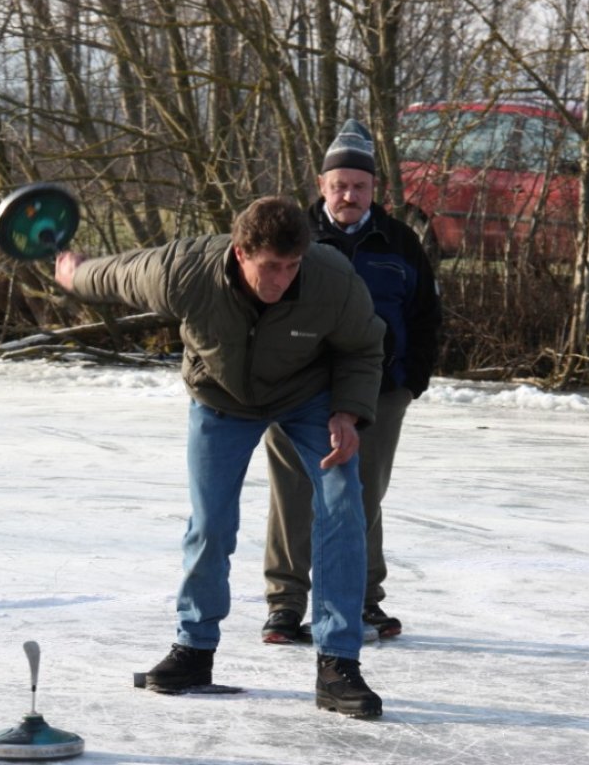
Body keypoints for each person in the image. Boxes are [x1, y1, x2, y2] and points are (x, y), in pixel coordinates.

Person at [54, 195, 387, 718]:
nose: (280, 279)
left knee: (342, 508)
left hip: (308, 397)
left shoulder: (330, 277)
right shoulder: (185, 271)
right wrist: (76, 275)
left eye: (291, 265)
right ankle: (193, 650)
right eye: (269, 267)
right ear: (239, 252)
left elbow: (365, 346)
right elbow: (119, 274)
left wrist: (348, 413)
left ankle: (338, 664)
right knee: (210, 524)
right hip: (220, 398)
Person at [261, 119, 442, 645]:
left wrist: (411, 382)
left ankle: (362, 601)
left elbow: (426, 316)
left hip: (380, 392)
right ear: (321, 186)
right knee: (292, 494)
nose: (349, 195)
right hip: (295, 388)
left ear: (373, 191)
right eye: (339, 185)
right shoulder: (293, 235)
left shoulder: (401, 242)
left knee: (361, 497)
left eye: (359, 186)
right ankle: (285, 604)